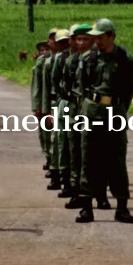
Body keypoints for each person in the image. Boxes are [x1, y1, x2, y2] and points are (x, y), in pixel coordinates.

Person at [75, 19, 133, 224]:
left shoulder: (125, 58)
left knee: (117, 159)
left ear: (111, 36)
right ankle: (86, 207)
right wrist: (93, 105)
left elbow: (129, 90)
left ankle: (122, 207)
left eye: (100, 37)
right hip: (92, 111)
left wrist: (118, 109)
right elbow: (82, 86)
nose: (97, 41)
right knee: (89, 159)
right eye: (95, 37)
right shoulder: (88, 58)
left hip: (115, 112)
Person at [62, 24, 97, 206]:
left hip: (93, 112)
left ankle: (100, 194)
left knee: (95, 155)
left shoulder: (98, 60)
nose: (82, 42)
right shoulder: (71, 61)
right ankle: (77, 191)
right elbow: (65, 87)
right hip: (75, 112)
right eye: (79, 39)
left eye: (85, 39)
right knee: (75, 153)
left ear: (93, 40)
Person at [49, 28, 74, 193]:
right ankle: (64, 178)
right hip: (65, 102)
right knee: (61, 142)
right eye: (62, 42)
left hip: (82, 104)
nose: (65, 44)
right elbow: (55, 81)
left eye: (67, 41)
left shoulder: (91, 57)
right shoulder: (60, 58)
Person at [42, 28, 62, 183]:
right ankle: (54, 166)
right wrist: (44, 110)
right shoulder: (48, 62)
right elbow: (45, 88)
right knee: (53, 138)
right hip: (55, 102)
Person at [31, 39, 51, 172]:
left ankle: (52, 158)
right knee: (43, 133)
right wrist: (36, 106)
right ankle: (48, 156)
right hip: (42, 103)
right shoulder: (38, 65)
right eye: (41, 50)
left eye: (46, 49)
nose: (44, 52)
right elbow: (36, 88)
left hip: (52, 102)